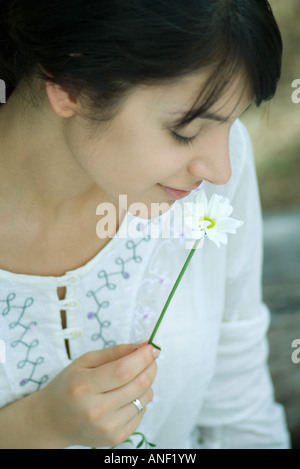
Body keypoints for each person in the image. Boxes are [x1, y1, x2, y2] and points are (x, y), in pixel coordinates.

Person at [0, 0, 291, 449]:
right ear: (72, 87)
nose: (221, 169)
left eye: (233, 123)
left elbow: (238, 398)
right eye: (185, 131)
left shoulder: (204, 183)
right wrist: (32, 427)